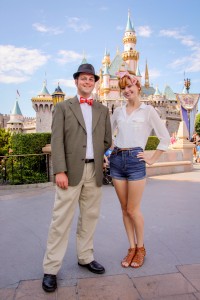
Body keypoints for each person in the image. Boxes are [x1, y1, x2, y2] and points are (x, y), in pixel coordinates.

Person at [42, 63, 112, 292]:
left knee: (89, 218)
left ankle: (85, 256)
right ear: (76, 81)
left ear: (95, 82)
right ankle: (51, 269)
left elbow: (106, 140)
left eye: (91, 79)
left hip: (94, 172)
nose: (87, 82)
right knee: (60, 220)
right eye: (83, 78)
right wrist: (60, 170)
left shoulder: (102, 110)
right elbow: (56, 140)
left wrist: (99, 157)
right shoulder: (63, 107)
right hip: (70, 172)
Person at [110, 71, 170, 269]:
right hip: (117, 160)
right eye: (123, 88)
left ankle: (141, 248)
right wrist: (108, 153)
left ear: (138, 87)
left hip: (136, 160)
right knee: (124, 210)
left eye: (130, 86)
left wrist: (152, 158)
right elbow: (108, 135)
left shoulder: (148, 110)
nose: (126, 91)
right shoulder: (118, 111)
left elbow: (164, 137)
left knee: (133, 210)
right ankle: (131, 247)